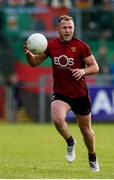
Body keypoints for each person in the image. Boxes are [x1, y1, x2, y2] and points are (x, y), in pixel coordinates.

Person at [24, 15, 100, 172]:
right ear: (58, 29)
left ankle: (92, 156)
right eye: (65, 27)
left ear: (74, 29)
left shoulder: (81, 46)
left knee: (86, 132)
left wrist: (83, 70)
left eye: (70, 27)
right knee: (58, 120)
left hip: (80, 94)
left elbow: (95, 67)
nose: (68, 30)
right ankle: (70, 142)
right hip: (61, 93)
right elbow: (34, 63)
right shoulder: (51, 46)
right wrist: (28, 54)